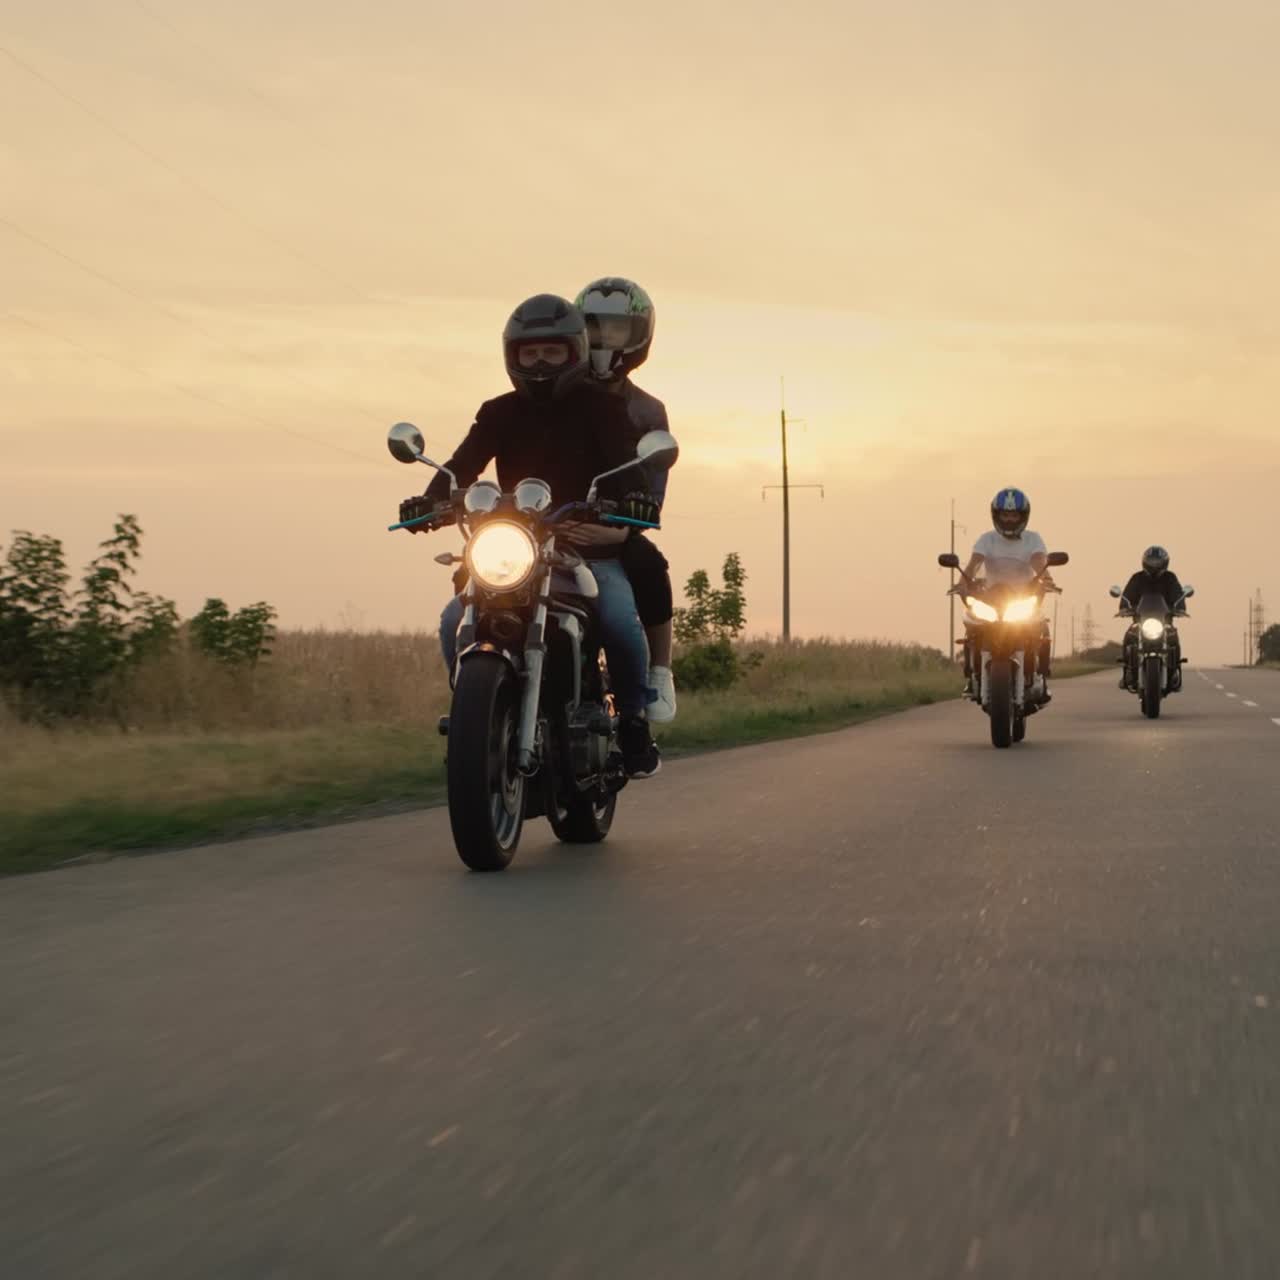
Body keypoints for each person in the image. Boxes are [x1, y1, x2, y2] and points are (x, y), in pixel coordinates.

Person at [404, 293, 662, 777]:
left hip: (583, 543)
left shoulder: (602, 409)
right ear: (512, 357)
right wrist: (431, 499)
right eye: (529, 353)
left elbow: (629, 469)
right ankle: (477, 717)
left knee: (621, 619)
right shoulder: (498, 411)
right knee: (450, 622)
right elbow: (461, 466)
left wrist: (634, 500)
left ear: (575, 352)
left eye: (552, 352)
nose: (540, 362)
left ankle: (633, 721)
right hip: (513, 543)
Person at [574, 277, 678, 724]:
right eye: (594, 328)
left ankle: (658, 674)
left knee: (650, 566)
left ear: (639, 337)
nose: (604, 340)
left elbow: (651, 490)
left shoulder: (647, 410)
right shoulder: (552, 397)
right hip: (545, 525)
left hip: (613, 526)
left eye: (617, 330)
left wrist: (623, 525)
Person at [959, 487, 1054, 699]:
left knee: (1040, 629)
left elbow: (1039, 561)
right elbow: (975, 563)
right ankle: (972, 677)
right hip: (991, 599)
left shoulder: (1033, 539)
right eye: (1005, 514)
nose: (1009, 519)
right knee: (971, 627)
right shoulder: (986, 540)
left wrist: (1047, 578)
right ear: (996, 515)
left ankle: (1039, 677)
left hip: (1023, 598)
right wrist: (962, 582)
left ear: (1023, 516)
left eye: (1014, 515)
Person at [1117, 545, 1186, 690]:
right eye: (1152, 560)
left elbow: (1178, 595)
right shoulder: (1137, 578)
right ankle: (1128, 671)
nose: (1154, 564)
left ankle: (1174, 672)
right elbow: (1127, 596)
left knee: (1174, 637)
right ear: (1145, 561)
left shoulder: (1170, 578)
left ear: (1164, 562)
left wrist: (1180, 608)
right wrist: (1125, 607)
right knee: (1129, 636)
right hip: (1141, 622)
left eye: (1157, 561)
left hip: (1164, 622)